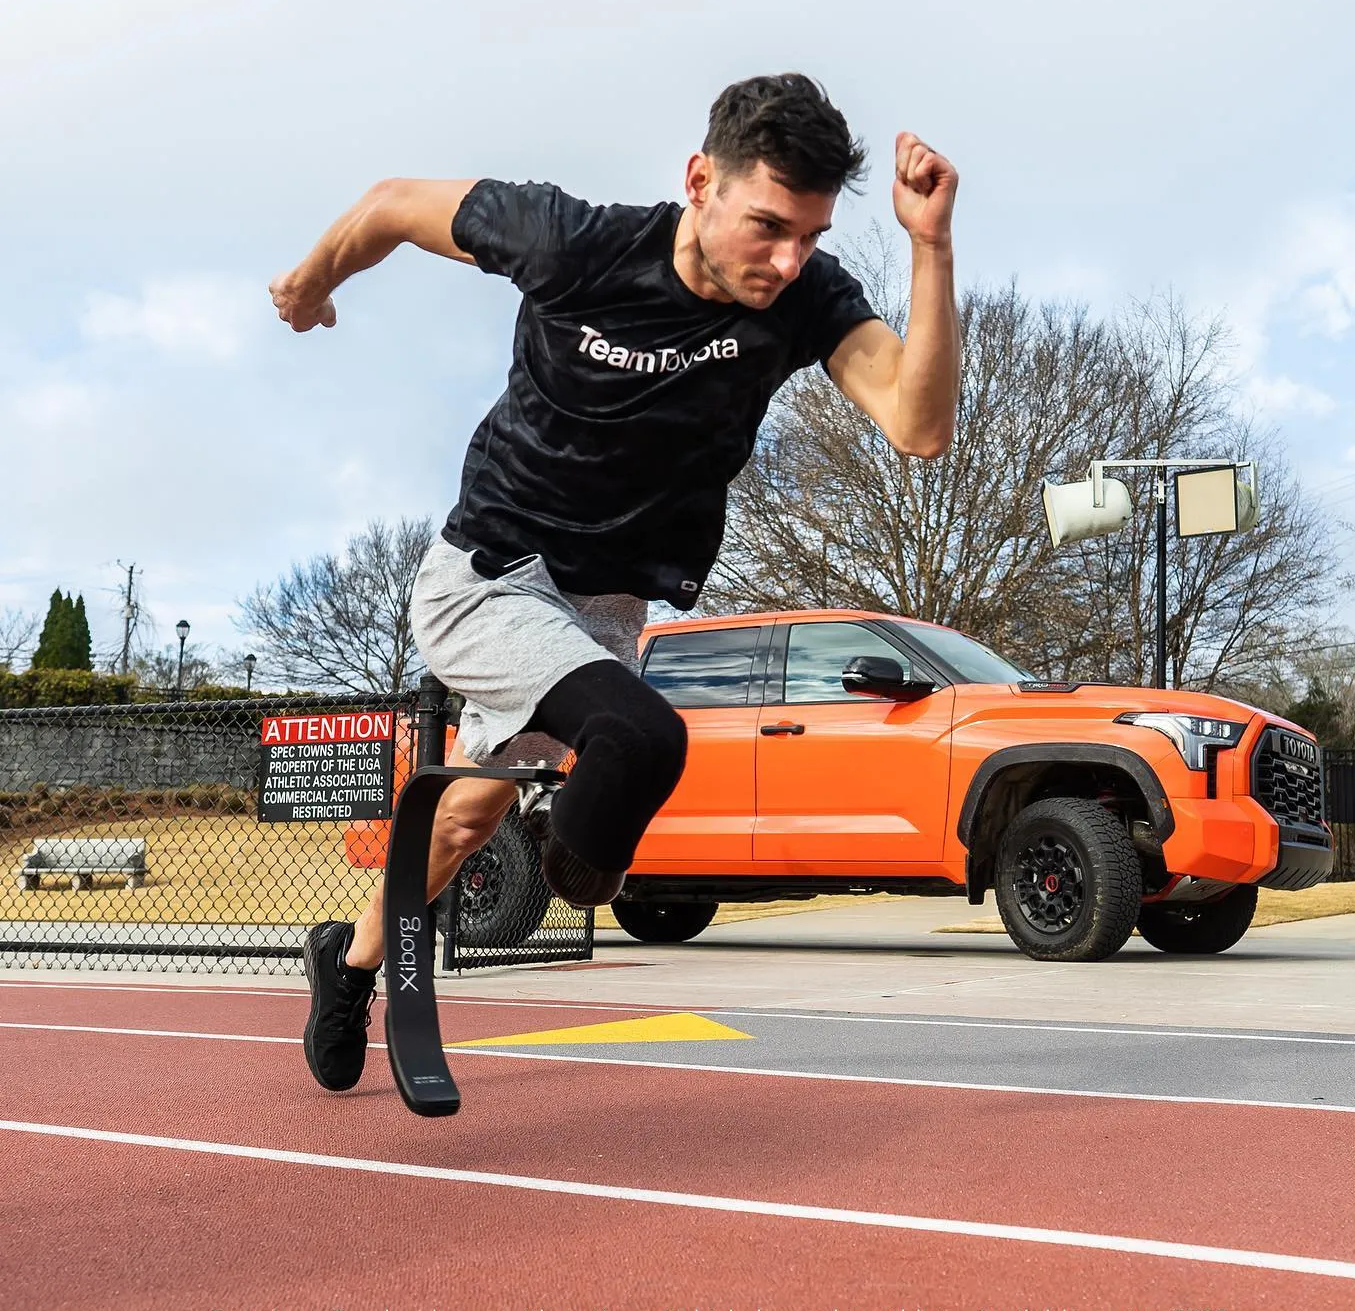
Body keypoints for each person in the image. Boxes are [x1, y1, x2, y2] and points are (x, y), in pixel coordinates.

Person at [269, 73, 960, 1092]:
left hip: (602, 609)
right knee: (639, 740)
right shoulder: (571, 241)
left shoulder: (808, 299)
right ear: (700, 182)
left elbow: (919, 424)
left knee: (466, 819)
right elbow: (392, 206)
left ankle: (350, 961)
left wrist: (930, 246)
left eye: (810, 236)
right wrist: (308, 284)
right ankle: (579, 855)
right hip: (488, 576)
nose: (787, 261)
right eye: (768, 227)